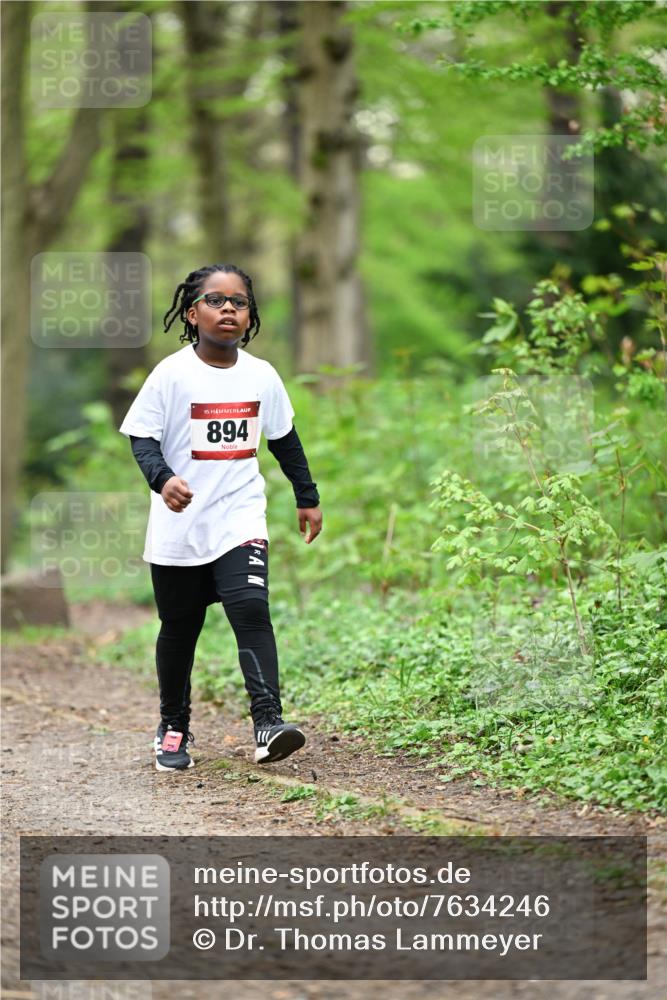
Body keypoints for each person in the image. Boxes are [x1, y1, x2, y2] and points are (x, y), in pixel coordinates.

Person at [119, 263, 322, 771]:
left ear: (250, 316)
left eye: (239, 302)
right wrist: (163, 479)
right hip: (179, 523)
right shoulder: (170, 374)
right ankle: (173, 727)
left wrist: (307, 494)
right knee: (179, 628)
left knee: (251, 609)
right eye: (215, 300)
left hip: (239, 517)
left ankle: (268, 723)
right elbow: (140, 437)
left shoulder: (262, 375)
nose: (228, 308)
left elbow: (283, 439)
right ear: (192, 313)